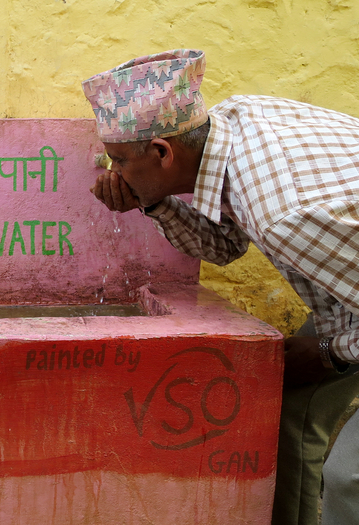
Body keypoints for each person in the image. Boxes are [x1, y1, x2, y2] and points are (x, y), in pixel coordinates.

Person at [82, 49, 359, 525]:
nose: (115, 173)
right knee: (291, 411)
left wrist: (330, 352)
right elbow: (227, 245)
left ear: (163, 152)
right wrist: (153, 202)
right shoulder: (232, 123)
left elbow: (271, 220)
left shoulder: (283, 213)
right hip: (347, 288)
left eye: (120, 160)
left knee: (347, 477)